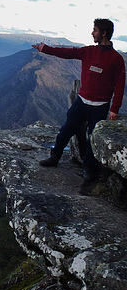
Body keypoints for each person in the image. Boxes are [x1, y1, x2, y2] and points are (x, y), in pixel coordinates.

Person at [32, 18, 125, 182]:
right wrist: (44, 49)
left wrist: (114, 109)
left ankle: (89, 169)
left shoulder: (116, 59)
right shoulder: (88, 51)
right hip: (82, 102)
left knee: (92, 139)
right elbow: (67, 53)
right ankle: (55, 157)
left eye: (95, 30)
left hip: (100, 106)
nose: (92, 33)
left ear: (103, 33)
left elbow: (120, 85)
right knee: (66, 130)